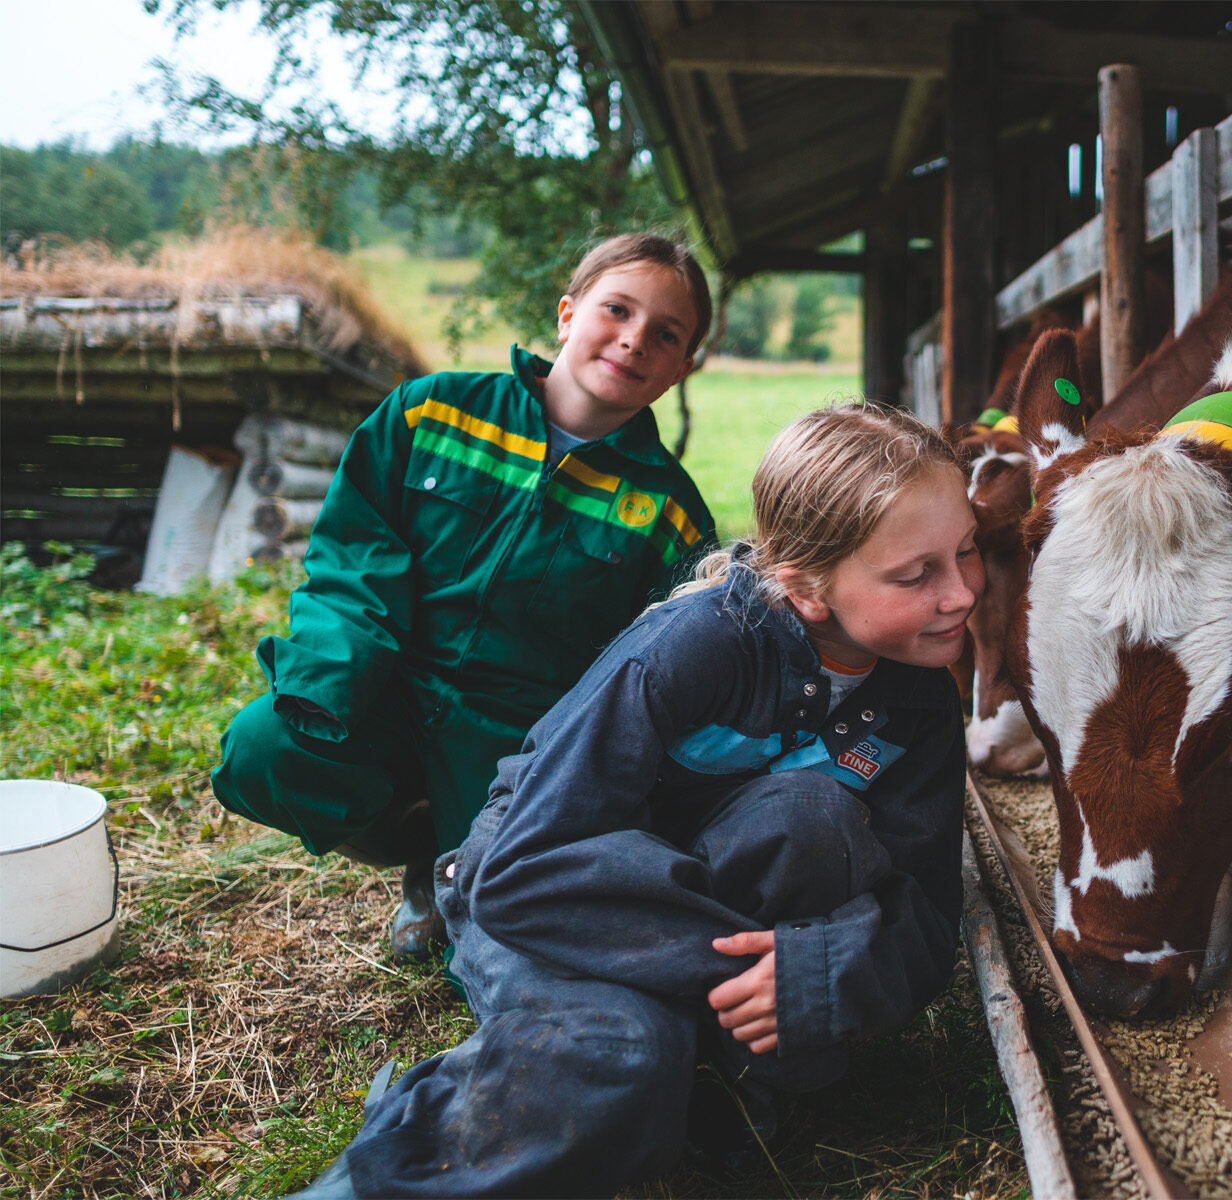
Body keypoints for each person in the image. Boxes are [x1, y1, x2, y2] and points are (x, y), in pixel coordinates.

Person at [292, 402, 980, 1198]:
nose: (962, 593)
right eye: (918, 574)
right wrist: (785, 972)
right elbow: (521, 868)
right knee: (624, 1054)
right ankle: (394, 1168)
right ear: (807, 588)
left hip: (684, 896)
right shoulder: (692, 646)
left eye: (967, 552)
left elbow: (930, 914)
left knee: (812, 816)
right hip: (541, 902)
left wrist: (829, 974)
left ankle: (698, 1069)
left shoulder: (921, 701)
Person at [211, 233, 717, 959]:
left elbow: (655, 664)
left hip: (515, 745)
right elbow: (354, 555)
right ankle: (418, 842)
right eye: (617, 309)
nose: (635, 340)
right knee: (263, 752)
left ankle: (451, 868)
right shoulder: (433, 414)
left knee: (501, 936)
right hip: (388, 686)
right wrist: (331, 684)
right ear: (569, 314)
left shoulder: (669, 512)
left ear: (680, 369)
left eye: (665, 334)